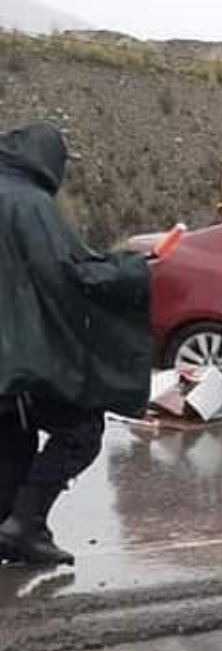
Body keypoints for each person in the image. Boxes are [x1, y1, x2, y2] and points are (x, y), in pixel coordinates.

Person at [0, 123, 153, 567]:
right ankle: (23, 525)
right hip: (17, 355)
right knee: (80, 431)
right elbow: (68, 275)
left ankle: (14, 528)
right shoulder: (29, 205)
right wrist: (134, 269)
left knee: (12, 440)